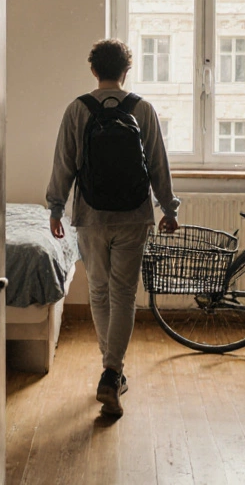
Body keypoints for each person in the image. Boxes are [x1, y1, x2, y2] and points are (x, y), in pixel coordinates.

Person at [46, 38, 180, 418]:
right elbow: (158, 164)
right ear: (126, 70)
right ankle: (112, 372)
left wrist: (55, 207)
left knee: (99, 292)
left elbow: (64, 163)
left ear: (93, 70)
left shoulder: (77, 109)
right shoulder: (142, 108)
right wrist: (168, 208)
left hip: (90, 216)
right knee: (123, 294)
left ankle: (110, 369)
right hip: (134, 216)